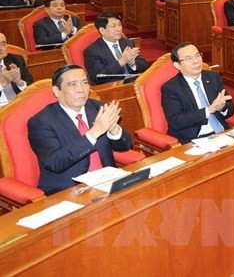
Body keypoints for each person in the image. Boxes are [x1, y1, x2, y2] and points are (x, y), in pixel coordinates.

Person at [28, 64, 132, 194]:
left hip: (107, 181)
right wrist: (94, 133)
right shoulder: (41, 122)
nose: (81, 89)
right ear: (56, 91)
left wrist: (114, 131)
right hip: (68, 189)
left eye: (84, 83)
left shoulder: (98, 108)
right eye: (73, 85)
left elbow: (125, 146)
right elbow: (55, 163)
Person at [161, 42, 234, 145]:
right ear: (177, 65)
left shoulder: (213, 77)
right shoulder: (171, 88)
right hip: (194, 139)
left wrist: (222, 107)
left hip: (221, 133)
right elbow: (176, 121)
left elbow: (230, 106)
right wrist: (208, 110)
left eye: (197, 55)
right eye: (189, 59)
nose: (196, 61)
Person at [83, 13, 148, 83]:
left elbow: (144, 66)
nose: (118, 29)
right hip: (113, 87)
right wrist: (121, 61)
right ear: (102, 30)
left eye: (119, 25)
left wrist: (132, 64)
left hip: (133, 83)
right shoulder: (92, 51)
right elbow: (98, 77)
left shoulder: (128, 43)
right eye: (113, 26)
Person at [0, 32, 34, 106]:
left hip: (20, 105)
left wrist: (20, 82)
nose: (1, 49)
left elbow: (32, 87)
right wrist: (1, 84)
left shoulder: (16, 60)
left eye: (3, 44)